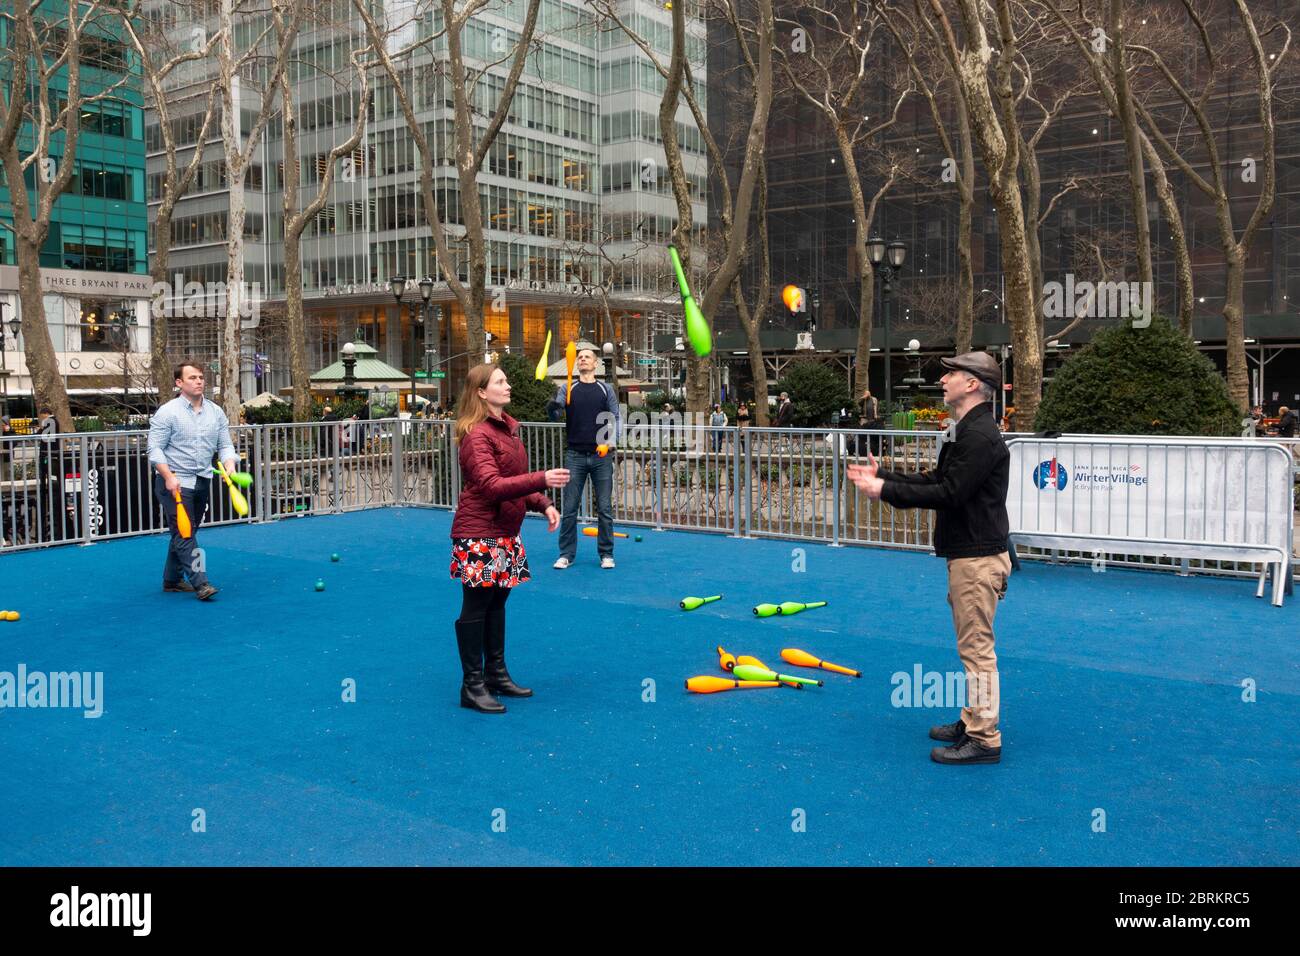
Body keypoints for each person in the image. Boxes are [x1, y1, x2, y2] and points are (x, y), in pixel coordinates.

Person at [847, 351, 1011, 766]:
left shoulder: (979, 436)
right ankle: (973, 719)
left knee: (976, 649)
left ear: (972, 384)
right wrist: (885, 476)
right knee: (971, 645)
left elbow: (949, 493)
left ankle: (985, 738)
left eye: (951, 373)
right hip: (970, 555)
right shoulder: (967, 430)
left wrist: (883, 490)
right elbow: (938, 480)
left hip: (977, 559)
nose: (943, 380)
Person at [450, 364, 567, 713]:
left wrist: (543, 503)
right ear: (482, 392)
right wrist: (541, 479)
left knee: (497, 604)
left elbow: (512, 482)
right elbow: (492, 486)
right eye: (500, 381)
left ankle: (495, 674)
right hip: (478, 534)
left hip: (503, 533)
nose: (508, 385)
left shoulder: (507, 431)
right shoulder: (476, 436)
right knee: (476, 606)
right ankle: (472, 685)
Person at [147, 362, 239, 601]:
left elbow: (225, 445)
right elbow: (154, 449)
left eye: (201, 377)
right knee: (185, 535)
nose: (199, 381)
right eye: (192, 378)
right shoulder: (167, 412)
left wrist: (229, 463)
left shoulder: (215, 412)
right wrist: (167, 477)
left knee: (186, 532)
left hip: (202, 480)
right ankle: (201, 583)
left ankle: (172, 580)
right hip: (174, 482)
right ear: (179, 383)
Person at [547, 345, 621, 570]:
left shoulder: (605, 389)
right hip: (575, 455)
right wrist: (553, 409)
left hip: (601, 458)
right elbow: (556, 415)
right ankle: (566, 554)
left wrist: (608, 444)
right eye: (579, 357)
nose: (582, 359)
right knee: (569, 508)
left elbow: (615, 418)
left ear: (596, 363)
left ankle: (606, 554)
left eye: (587, 357)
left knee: (605, 509)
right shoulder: (567, 387)